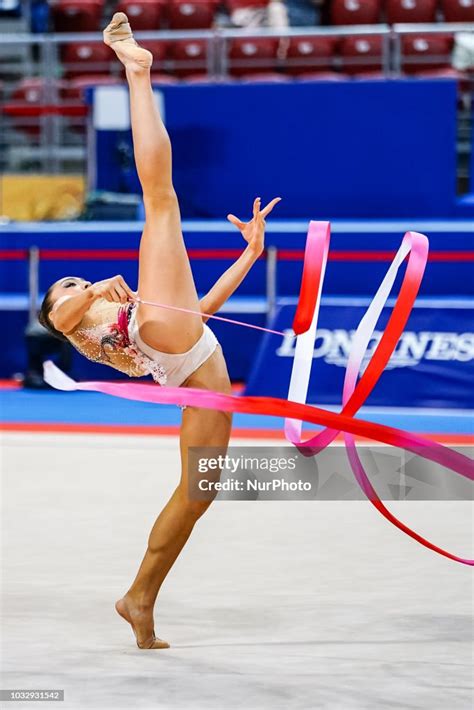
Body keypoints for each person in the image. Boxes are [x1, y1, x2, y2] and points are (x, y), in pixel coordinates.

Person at [38, 12, 281, 650]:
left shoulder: (132, 305)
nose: (72, 286)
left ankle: (138, 597)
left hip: (191, 360)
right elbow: (61, 317)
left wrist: (249, 256)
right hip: (159, 337)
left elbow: (196, 315)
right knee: (161, 199)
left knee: (199, 491)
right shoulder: (80, 321)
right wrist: (88, 289)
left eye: (73, 280)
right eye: (62, 285)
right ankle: (136, 72)